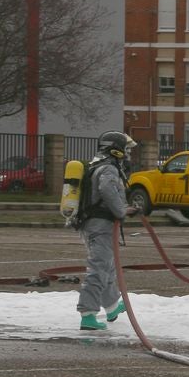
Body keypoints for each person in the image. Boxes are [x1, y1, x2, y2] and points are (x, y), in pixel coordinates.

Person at [76, 131, 140, 330]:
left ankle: (112, 306)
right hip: (101, 226)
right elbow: (106, 190)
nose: (127, 153)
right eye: (125, 149)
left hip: (95, 224)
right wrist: (121, 211)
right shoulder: (109, 169)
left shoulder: (97, 165)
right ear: (116, 149)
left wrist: (122, 210)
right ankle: (87, 315)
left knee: (108, 267)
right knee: (99, 268)